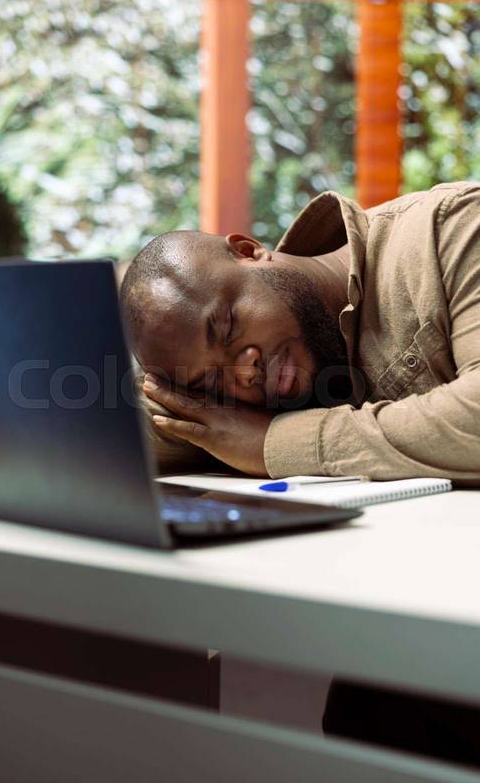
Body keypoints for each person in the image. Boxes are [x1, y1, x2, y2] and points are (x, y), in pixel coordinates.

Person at [122, 180, 480, 768]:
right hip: (419, 630)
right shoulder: (265, 378)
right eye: (212, 380)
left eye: (228, 329)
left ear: (249, 250)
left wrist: (272, 444)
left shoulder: (450, 230)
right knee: (366, 726)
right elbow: (159, 435)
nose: (243, 375)